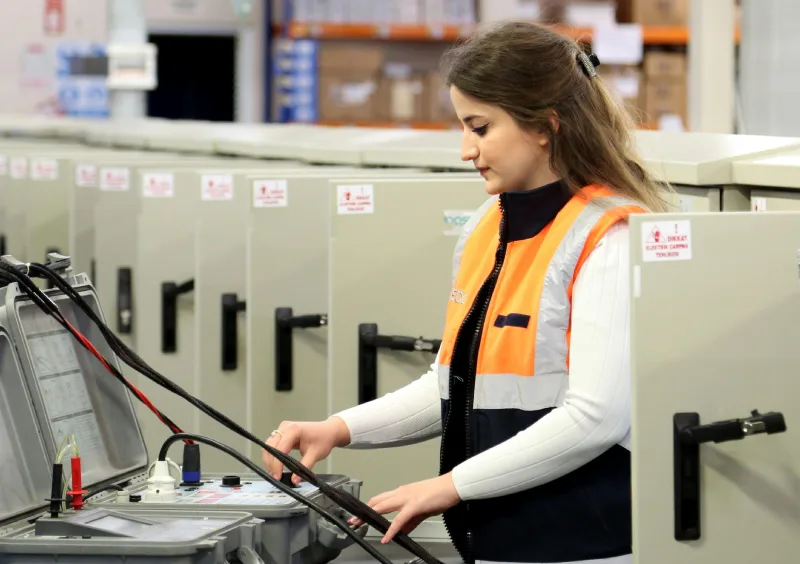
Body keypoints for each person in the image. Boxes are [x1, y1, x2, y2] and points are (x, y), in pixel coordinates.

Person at [262, 20, 670, 564]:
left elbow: (596, 418)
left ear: (545, 126)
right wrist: (339, 429)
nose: (464, 150)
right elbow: (454, 386)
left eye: (479, 128)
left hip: (581, 543)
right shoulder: (486, 226)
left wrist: (448, 487)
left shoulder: (607, 236)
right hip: (499, 538)